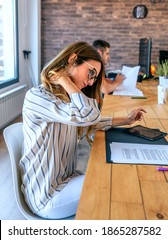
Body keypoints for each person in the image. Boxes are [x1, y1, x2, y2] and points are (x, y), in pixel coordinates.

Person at [19, 41, 146, 219]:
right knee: (115, 183)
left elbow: (90, 122)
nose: (91, 81)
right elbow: (87, 116)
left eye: (95, 77)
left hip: (66, 180)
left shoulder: (67, 101)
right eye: (91, 73)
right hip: (47, 195)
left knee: (114, 175)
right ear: (73, 60)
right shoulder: (37, 96)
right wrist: (63, 78)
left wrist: (126, 119)